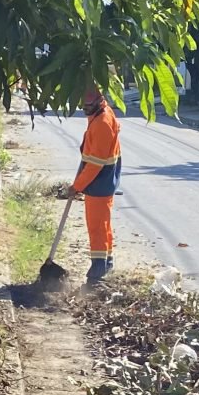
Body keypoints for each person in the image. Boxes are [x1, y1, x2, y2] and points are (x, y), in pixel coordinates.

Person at [67, 86, 121, 283]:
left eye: (89, 107)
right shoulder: (101, 114)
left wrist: (77, 186)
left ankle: (98, 271)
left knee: (97, 226)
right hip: (103, 181)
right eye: (84, 106)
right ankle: (106, 263)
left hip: (99, 181)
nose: (86, 110)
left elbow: (95, 165)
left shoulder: (102, 124)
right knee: (103, 223)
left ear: (98, 102)